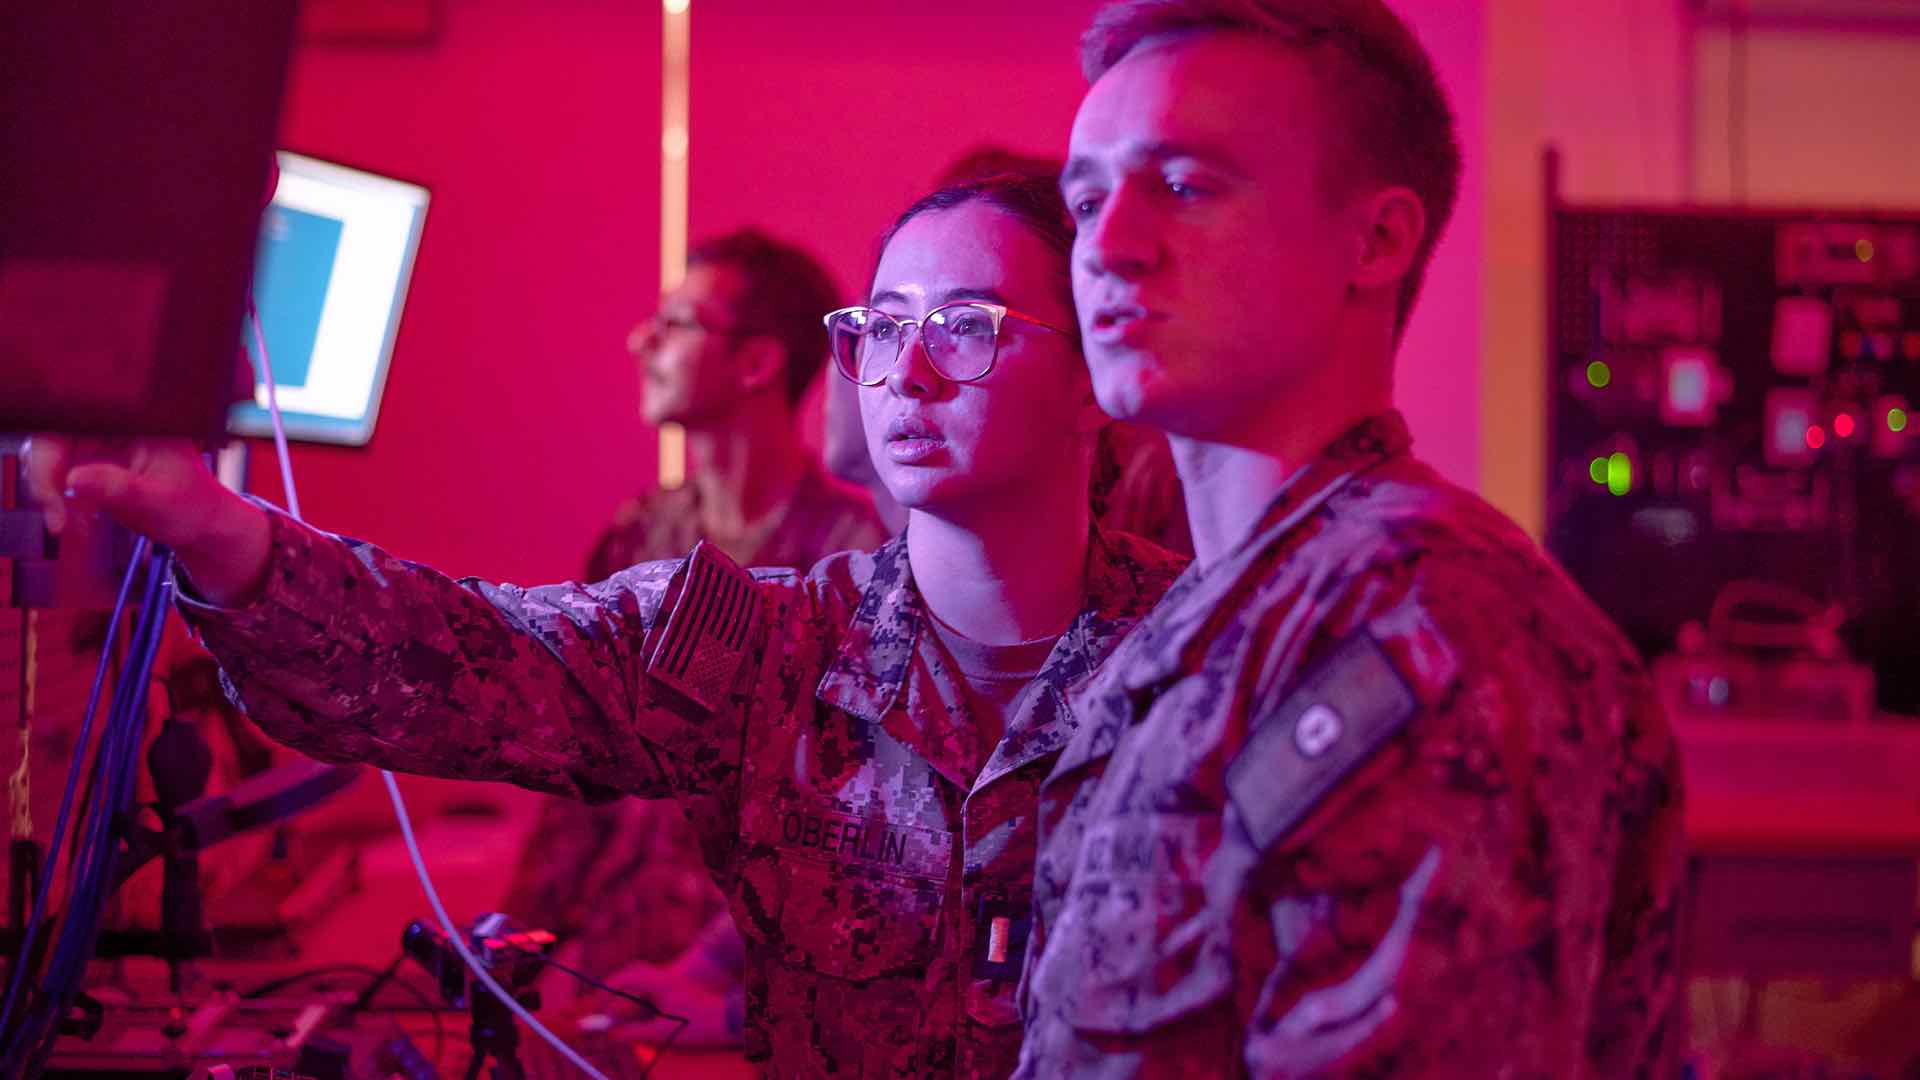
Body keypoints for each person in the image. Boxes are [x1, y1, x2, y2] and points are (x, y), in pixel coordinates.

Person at [28, 172, 1184, 1079]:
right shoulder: (776, 648)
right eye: (882, 328)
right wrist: (218, 529)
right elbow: (476, 657)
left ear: (1097, 380)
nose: (907, 373)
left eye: (969, 325)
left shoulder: (1216, 662)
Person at [1016, 2, 1685, 1076]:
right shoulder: (1218, 611)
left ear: (1375, 240)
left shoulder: (1432, 631)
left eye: (1184, 186)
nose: (1109, 246)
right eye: (1087, 200)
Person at [498, 229, 887, 1044]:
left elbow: (850, 824)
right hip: (601, 959)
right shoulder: (641, 535)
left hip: (741, 986)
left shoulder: (852, 555)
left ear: (756, 363)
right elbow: (571, 767)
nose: (641, 340)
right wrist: (515, 947)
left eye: (675, 321)